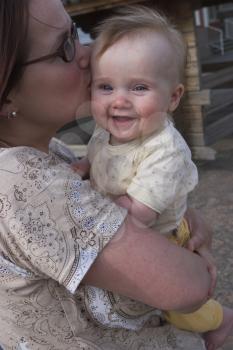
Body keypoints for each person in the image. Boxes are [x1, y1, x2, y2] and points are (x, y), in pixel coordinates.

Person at [0, 1, 215, 349]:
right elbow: (190, 287)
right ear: (6, 91)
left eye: (76, 32)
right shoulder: (20, 182)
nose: (90, 53)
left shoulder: (54, 151)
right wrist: (194, 255)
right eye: (65, 46)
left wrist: (187, 215)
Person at [72, 6, 233, 350]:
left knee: (176, 305)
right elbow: (97, 154)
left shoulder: (165, 151)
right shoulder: (110, 129)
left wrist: (93, 206)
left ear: (173, 97)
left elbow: (140, 214)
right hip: (124, 221)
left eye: (139, 87)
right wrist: (84, 167)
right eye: (105, 86)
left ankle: (220, 319)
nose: (119, 101)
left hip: (162, 233)